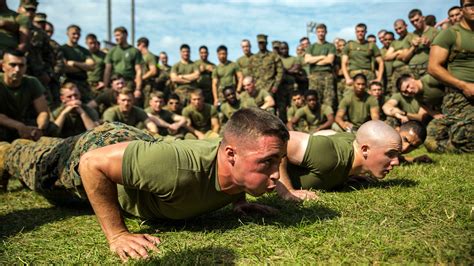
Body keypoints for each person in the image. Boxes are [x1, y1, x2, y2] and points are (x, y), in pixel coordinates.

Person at [0, 107, 289, 261]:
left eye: (279, 161)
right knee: (35, 166)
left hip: (139, 154)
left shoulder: (237, 164)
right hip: (97, 148)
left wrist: (239, 200)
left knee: (48, 148)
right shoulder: (178, 168)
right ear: (230, 155)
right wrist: (117, 235)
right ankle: (8, 150)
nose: (276, 174)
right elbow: (91, 164)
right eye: (267, 162)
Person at [276, 120, 401, 201]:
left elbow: (329, 133)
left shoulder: (352, 146)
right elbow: (281, 140)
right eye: (390, 154)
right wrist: (287, 191)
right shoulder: (331, 156)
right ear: (365, 150)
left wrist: (347, 175)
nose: (396, 162)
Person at [425, 0, 474, 153]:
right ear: (463, 9)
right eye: (470, 4)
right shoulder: (450, 34)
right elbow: (433, 67)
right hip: (461, 95)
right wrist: (464, 85)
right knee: (465, 137)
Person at [0, 50, 53, 141]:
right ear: (3, 66)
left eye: (21, 65)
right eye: (13, 65)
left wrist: (40, 128)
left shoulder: (32, 82)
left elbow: (43, 111)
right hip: (6, 124)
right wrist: (18, 126)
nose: (17, 69)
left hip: (24, 124)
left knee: (52, 127)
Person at [248, 34, 284, 119]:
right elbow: (250, 74)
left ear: (266, 43)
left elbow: (280, 72)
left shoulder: (273, 56)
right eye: (260, 43)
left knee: (270, 112)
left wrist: (276, 85)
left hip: (270, 88)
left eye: (263, 43)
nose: (261, 45)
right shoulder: (253, 58)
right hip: (257, 90)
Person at [342, 23, 384, 94]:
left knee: (371, 97)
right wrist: (347, 78)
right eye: (358, 31)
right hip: (353, 75)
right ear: (355, 32)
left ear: (365, 32)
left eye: (362, 31)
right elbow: (343, 63)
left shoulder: (372, 45)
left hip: (368, 75)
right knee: (349, 96)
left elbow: (381, 62)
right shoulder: (349, 45)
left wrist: (379, 78)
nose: (360, 33)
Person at [103, 26, 143, 100]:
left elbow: (139, 71)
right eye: (115, 36)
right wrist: (105, 86)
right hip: (115, 83)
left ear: (125, 35)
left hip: (128, 83)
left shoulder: (134, 51)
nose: (116, 38)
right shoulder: (112, 51)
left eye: (118, 35)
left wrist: (138, 89)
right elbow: (107, 70)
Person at [304, 23, 337, 108]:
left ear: (326, 32)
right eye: (319, 32)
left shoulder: (330, 46)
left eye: (322, 31)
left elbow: (330, 60)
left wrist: (314, 60)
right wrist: (322, 57)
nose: (321, 33)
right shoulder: (311, 47)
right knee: (314, 99)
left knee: (328, 99)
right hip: (314, 76)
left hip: (327, 75)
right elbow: (307, 60)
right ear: (316, 33)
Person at [399, 9, 438, 78]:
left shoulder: (435, 32)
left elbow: (441, 53)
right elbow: (404, 58)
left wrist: (429, 45)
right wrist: (413, 47)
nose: (415, 23)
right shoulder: (410, 36)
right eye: (412, 22)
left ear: (423, 18)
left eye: (417, 20)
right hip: (412, 71)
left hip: (428, 70)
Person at [61, 24, 95, 102]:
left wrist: (74, 63)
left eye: (78, 34)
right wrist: (83, 67)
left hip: (83, 84)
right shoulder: (62, 49)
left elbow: (92, 66)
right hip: (68, 84)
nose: (76, 36)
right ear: (67, 34)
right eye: (74, 34)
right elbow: (65, 68)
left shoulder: (84, 51)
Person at [384, 19, 415, 94]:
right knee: (395, 93)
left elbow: (406, 56)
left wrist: (394, 55)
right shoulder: (395, 42)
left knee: (409, 91)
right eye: (396, 30)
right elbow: (386, 57)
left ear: (406, 26)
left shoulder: (411, 36)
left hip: (407, 69)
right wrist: (398, 52)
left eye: (400, 28)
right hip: (396, 72)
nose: (398, 31)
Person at [136, 37, 158, 107]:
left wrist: (141, 78)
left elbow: (153, 71)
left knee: (146, 107)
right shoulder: (140, 57)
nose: (137, 47)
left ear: (142, 44)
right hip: (140, 86)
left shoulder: (150, 56)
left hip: (147, 86)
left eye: (138, 45)